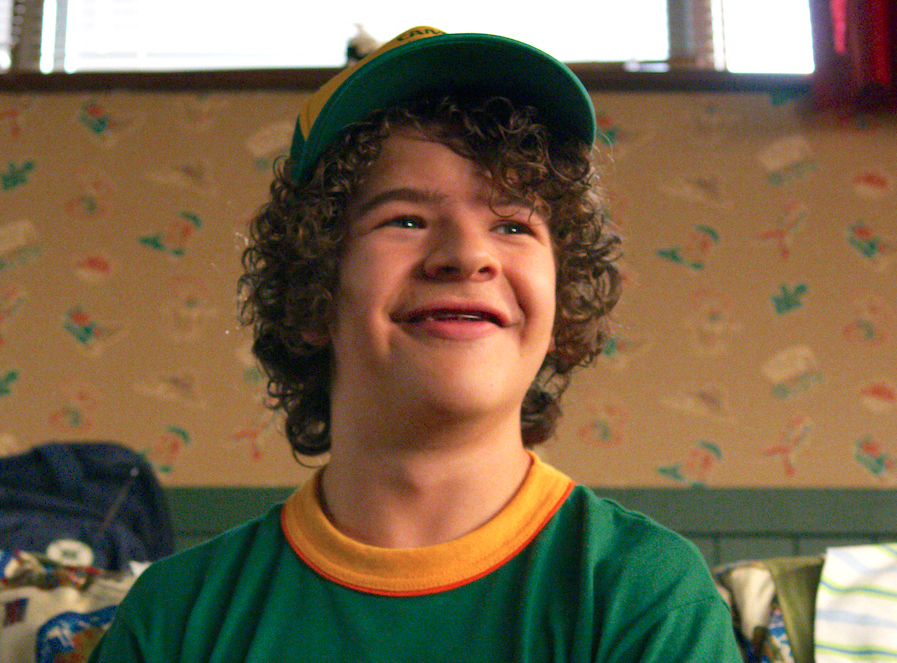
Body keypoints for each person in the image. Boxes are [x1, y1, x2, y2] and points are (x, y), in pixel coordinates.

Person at [88, 26, 742, 662]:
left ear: (561, 299)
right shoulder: (177, 614)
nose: (466, 254)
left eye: (513, 224)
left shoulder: (643, 594)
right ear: (314, 288)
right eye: (405, 219)